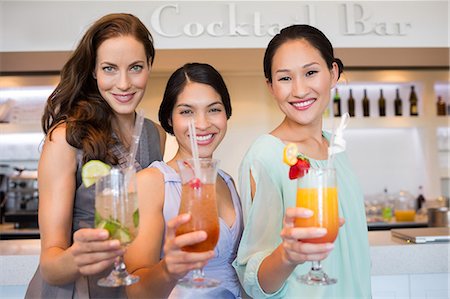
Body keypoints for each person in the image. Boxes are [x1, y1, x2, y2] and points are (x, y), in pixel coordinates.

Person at [25, 13, 166, 298]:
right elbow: (51, 265)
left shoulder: (156, 135)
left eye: (136, 67)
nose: (124, 83)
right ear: (93, 71)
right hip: (74, 289)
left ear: (149, 66)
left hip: (129, 287)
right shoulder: (66, 138)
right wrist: (79, 255)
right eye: (110, 68)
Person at [233, 24, 371, 298]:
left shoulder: (337, 148)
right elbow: (255, 282)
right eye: (285, 78)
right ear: (271, 87)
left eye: (310, 73)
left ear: (333, 73)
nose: (299, 90)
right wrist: (288, 254)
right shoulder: (266, 156)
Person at [125, 62, 243, 299]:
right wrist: (170, 269)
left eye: (214, 109)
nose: (202, 123)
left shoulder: (227, 181)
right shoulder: (150, 183)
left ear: (226, 113)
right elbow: (135, 291)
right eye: (187, 111)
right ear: (169, 119)